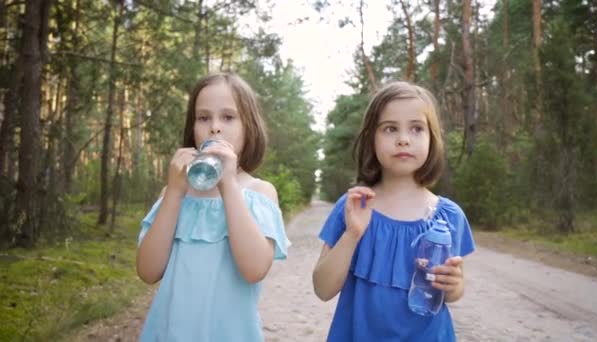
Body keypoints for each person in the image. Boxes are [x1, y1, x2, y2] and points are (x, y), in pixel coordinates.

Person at [312, 81, 475, 341]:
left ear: (432, 139)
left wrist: (454, 286)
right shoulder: (353, 205)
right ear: (371, 139)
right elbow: (322, 288)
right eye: (390, 129)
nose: (403, 139)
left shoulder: (449, 216)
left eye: (417, 129)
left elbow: (453, 291)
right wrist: (352, 234)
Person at [136, 72, 290, 341]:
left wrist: (228, 184)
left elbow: (254, 270)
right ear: (192, 127)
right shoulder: (174, 192)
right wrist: (174, 193)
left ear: (249, 127)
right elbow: (148, 271)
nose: (215, 127)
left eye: (228, 117)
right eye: (203, 117)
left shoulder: (258, 192)